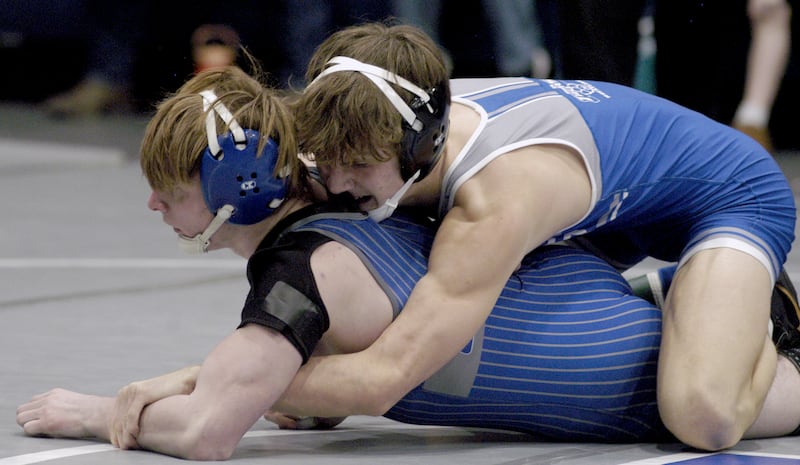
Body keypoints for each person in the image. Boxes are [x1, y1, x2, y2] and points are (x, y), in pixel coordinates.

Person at [16, 65, 692, 458]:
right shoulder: (366, 208)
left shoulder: (304, 272)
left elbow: (207, 429)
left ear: (236, 192)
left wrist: (103, 413)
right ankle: (685, 291)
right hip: (603, 314)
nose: (153, 206)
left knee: (725, 405)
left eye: (172, 191)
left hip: (639, 381)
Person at [266, 22, 799, 452]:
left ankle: (773, 327)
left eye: (358, 165)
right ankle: (684, 295)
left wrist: (240, 380)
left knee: (701, 414)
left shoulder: (496, 197)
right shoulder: (387, 103)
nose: (335, 183)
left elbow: (391, 373)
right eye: (326, 161)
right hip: (612, 207)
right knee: (486, 314)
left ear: (422, 149)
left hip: (732, 196)